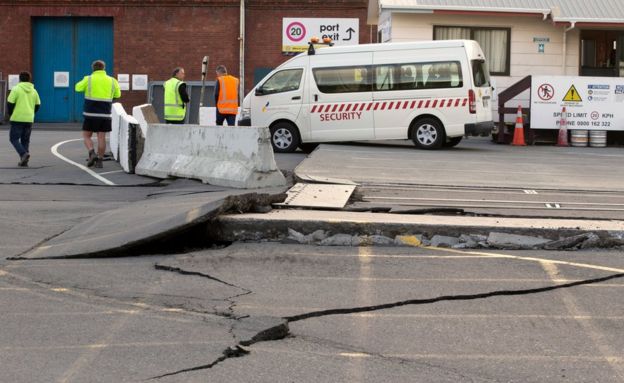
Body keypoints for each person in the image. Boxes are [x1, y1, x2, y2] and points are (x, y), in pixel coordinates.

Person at [75, 60, 121, 168]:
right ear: (104, 68)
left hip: (90, 113)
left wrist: (85, 81)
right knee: (101, 137)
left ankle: (92, 153)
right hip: (105, 113)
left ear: (93, 68)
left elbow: (77, 88)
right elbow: (118, 94)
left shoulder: (88, 79)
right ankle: (100, 161)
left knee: (86, 136)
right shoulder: (112, 80)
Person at [7, 71, 41, 167]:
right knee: (25, 140)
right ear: (29, 79)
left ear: (20, 79)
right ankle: (24, 161)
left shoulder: (16, 89)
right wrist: (32, 112)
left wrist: (10, 113)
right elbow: (38, 104)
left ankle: (23, 154)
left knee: (13, 138)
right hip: (29, 119)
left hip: (17, 118)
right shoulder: (34, 91)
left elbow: (10, 103)